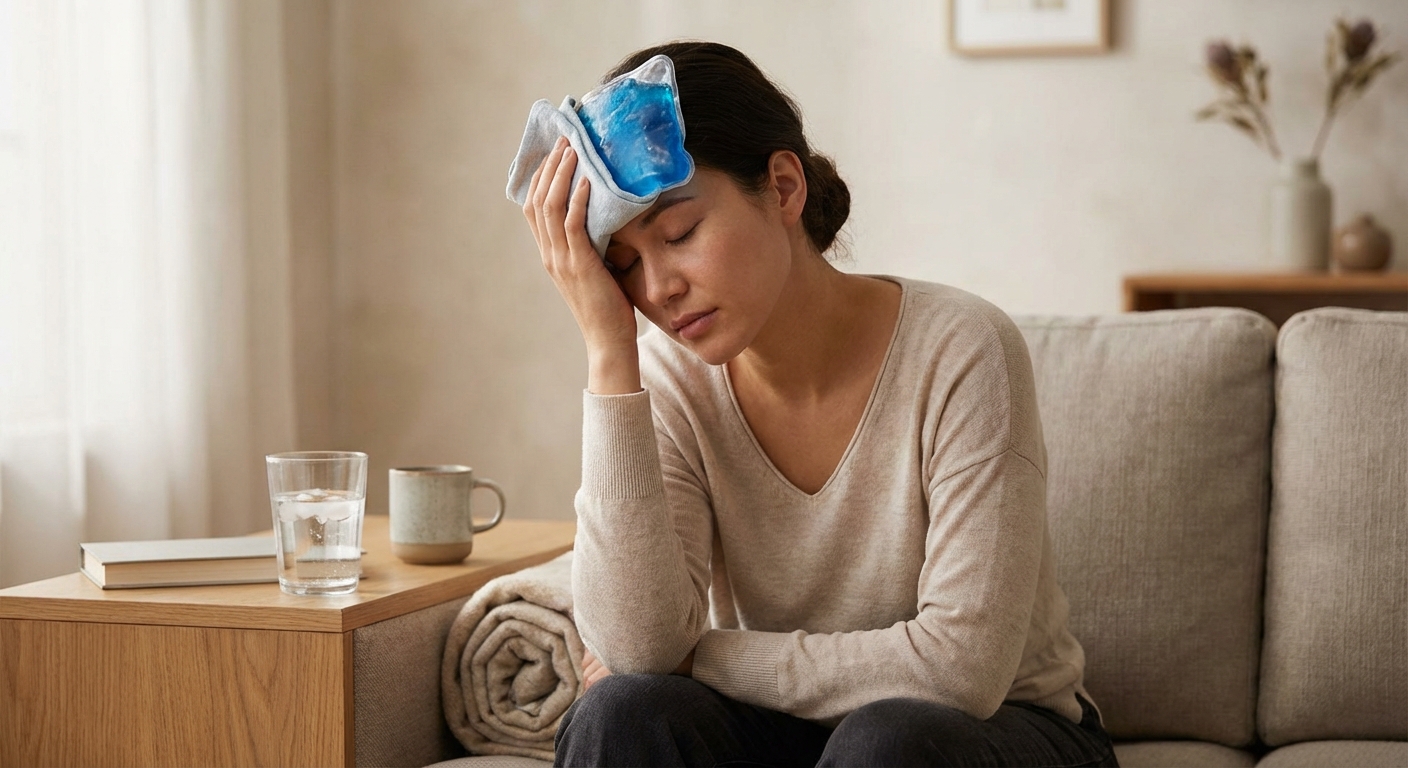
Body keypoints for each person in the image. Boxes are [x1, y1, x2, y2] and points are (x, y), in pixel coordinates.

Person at [521, 40, 1118, 768]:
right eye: (624, 266)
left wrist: (701, 655)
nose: (658, 289)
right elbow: (639, 652)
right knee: (623, 713)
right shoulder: (669, 379)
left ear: (782, 187)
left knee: (885, 743)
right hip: (784, 725)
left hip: (990, 732)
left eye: (680, 234)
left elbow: (961, 670)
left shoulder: (963, 348)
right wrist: (610, 352)